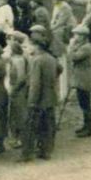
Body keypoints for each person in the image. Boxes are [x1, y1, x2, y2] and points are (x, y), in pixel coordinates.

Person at [20, 30, 58, 162]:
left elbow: (35, 83)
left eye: (31, 45)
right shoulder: (51, 58)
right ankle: (46, 151)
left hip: (39, 99)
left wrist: (31, 101)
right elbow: (59, 69)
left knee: (31, 126)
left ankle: (27, 154)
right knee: (48, 126)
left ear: (37, 46)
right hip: (50, 96)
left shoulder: (37, 60)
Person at [68, 26, 91, 138]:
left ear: (83, 36)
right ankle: (86, 125)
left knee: (85, 104)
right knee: (83, 103)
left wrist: (70, 46)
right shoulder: (82, 46)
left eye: (77, 35)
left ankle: (89, 128)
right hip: (81, 78)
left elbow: (73, 57)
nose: (75, 37)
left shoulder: (86, 47)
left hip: (84, 79)